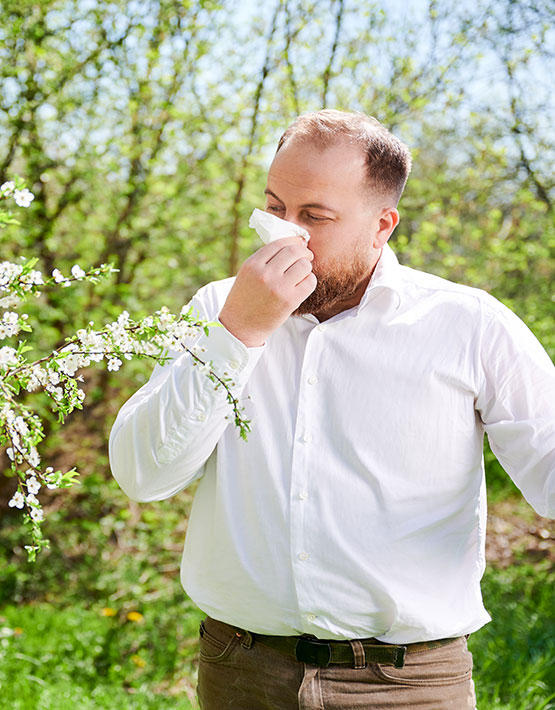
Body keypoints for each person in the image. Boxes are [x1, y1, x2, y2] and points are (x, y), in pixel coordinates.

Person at [109, 109, 555, 709]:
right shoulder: (220, 308)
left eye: (314, 216)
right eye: (274, 207)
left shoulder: (470, 325)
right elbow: (145, 475)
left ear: (382, 225)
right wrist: (237, 333)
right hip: (240, 673)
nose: (283, 233)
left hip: (410, 686)